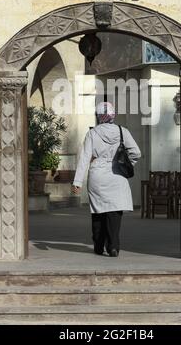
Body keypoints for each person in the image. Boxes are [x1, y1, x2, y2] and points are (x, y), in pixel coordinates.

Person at [72, 102, 141, 257]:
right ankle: (113, 246)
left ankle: (98, 245)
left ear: (98, 116)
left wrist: (77, 182)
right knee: (115, 212)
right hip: (117, 175)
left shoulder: (92, 133)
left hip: (98, 175)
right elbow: (136, 152)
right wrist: (126, 163)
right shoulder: (123, 131)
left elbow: (84, 158)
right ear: (113, 115)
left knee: (98, 211)